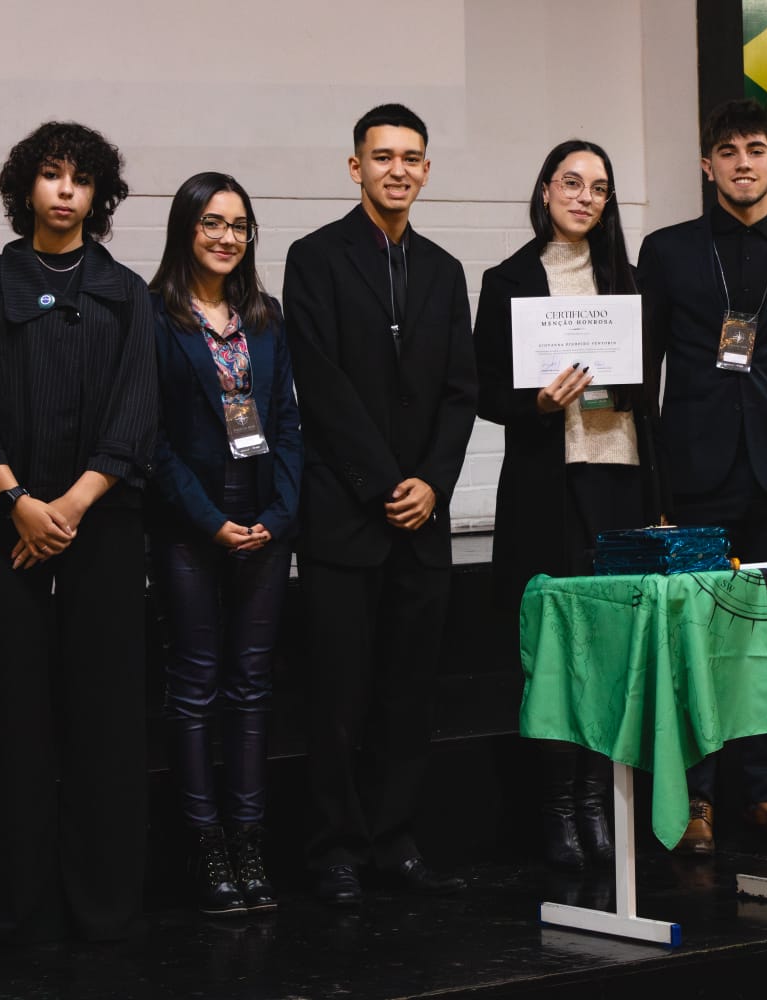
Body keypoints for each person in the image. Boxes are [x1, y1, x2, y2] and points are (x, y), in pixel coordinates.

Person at [0, 121, 156, 942]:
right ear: (26, 188)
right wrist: (21, 503)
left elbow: (137, 415)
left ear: (99, 195)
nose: (65, 191)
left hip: (100, 526)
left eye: (80, 179)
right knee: (12, 712)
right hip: (8, 526)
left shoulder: (127, 291)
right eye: (50, 176)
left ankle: (102, 906)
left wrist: (66, 508)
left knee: (104, 716)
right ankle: (10, 904)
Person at [639, 99, 767, 856]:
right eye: (726, 151)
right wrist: (652, 492)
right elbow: (643, 376)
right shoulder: (666, 251)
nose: (742, 162)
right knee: (694, 639)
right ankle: (695, 800)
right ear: (706, 165)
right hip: (694, 475)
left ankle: (763, 791)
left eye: (755, 149)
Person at [283, 103, 478, 905]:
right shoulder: (314, 258)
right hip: (343, 517)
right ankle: (335, 847)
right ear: (354, 167)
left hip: (421, 523)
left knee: (406, 694)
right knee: (337, 696)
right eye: (382, 156)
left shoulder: (444, 269)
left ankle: (395, 840)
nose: (397, 169)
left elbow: (461, 392)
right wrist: (381, 483)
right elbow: (319, 385)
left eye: (412, 158)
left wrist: (431, 481)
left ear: (426, 171)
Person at [473, 139, 657, 870]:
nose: (585, 197)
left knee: (613, 654)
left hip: (620, 481)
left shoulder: (628, 280)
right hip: (548, 486)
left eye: (600, 188)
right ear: (546, 189)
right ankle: (556, 805)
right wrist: (538, 403)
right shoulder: (507, 279)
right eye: (572, 182)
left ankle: (595, 800)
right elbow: (485, 391)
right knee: (555, 653)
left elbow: (652, 394)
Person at [148, 172, 303, 915]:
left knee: (251, 686)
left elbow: (288, 421)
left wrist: (283, 509)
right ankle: (205, 843)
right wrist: (208, 517)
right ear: (186, 229)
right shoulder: (154, 318)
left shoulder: (266, 317)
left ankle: (248, 839)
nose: (226, 237)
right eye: (212, 223)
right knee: (196, 686)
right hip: (189, 524)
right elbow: (148, 439)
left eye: (239, 225)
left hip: (266, 521)